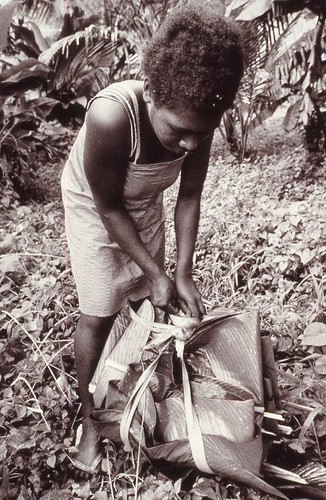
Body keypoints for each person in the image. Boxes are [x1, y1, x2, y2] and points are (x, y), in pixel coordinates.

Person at [61, 0, 244, 477]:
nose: (188, 144)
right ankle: (90, 419)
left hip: (143, 202)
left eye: (198, 136)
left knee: (149, 300)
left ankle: (132, 391)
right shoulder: (112, 117)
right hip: (96, 205)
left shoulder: (198, 121)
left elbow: (189, 197)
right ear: (153, 93)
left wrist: (178, 273)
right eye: (179, 132)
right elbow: (109, 208)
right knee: (99, 309)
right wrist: (154, 269)